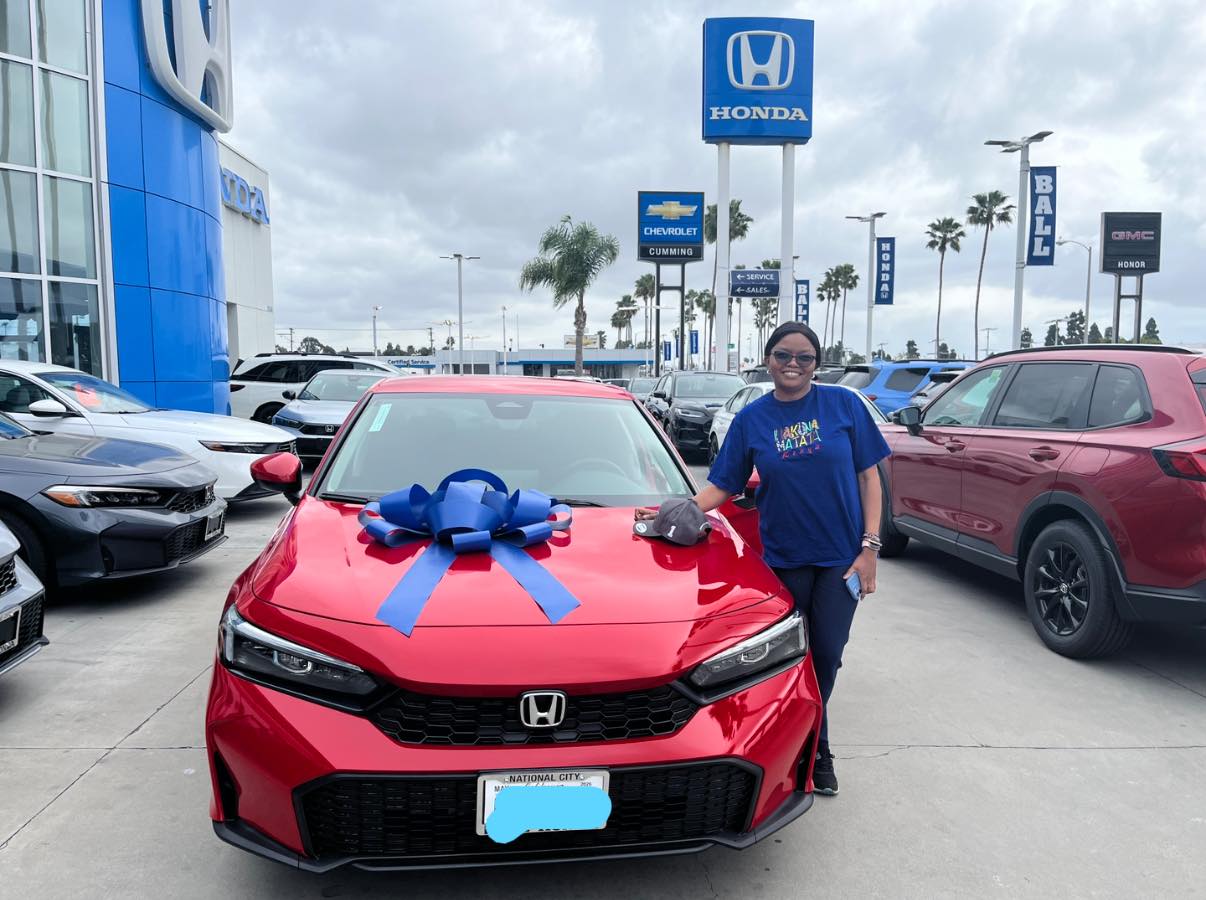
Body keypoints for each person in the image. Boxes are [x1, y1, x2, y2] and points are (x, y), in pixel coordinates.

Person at [636, 322, 890, 795]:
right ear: (768, 359)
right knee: (794, 657)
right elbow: (723, 485)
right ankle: (819, 751)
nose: (793, 364)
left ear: (817, 363)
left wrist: (869, 548)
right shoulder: (752, 420)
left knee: (827, 656)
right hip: (782, 560)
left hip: (841, 559)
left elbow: (870, 480)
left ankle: (811, 737)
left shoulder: (843, 406)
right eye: (783, 355)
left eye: (804, 357)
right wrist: (678, 509)